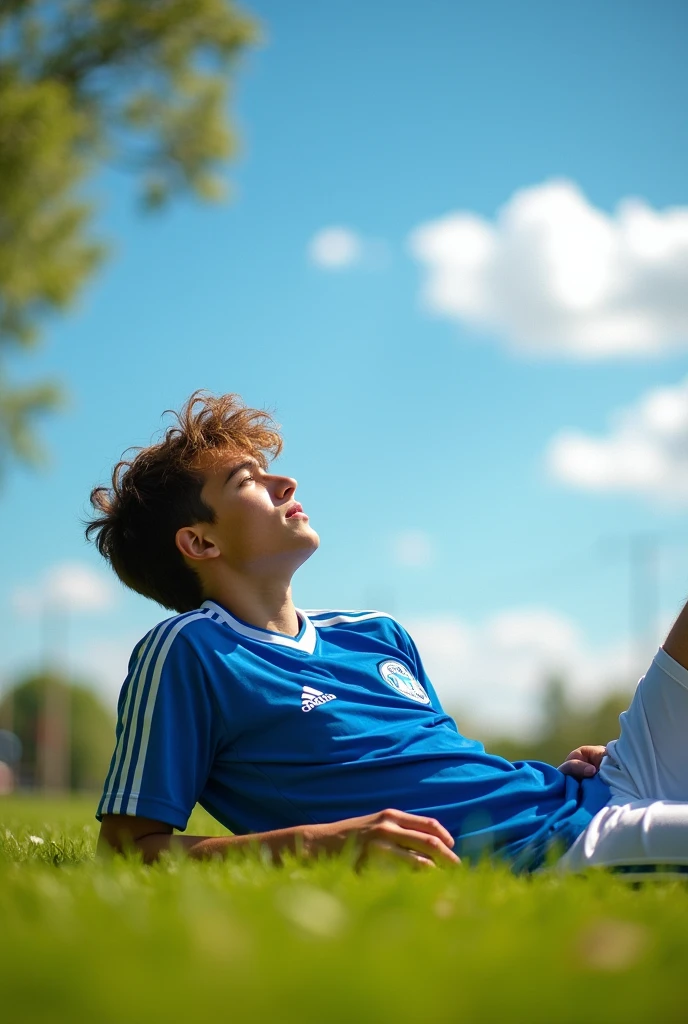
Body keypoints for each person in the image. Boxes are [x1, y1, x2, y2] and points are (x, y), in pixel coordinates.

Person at [90, 392, 688, 873]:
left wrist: (577, 770)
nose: (286, 484)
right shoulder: (190, 651)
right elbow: (125, 849)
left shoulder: (379, 633)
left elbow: (441, 767)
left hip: (606, 779)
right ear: (201, 542)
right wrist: (320, 843)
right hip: (559, 842)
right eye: (249, 480)